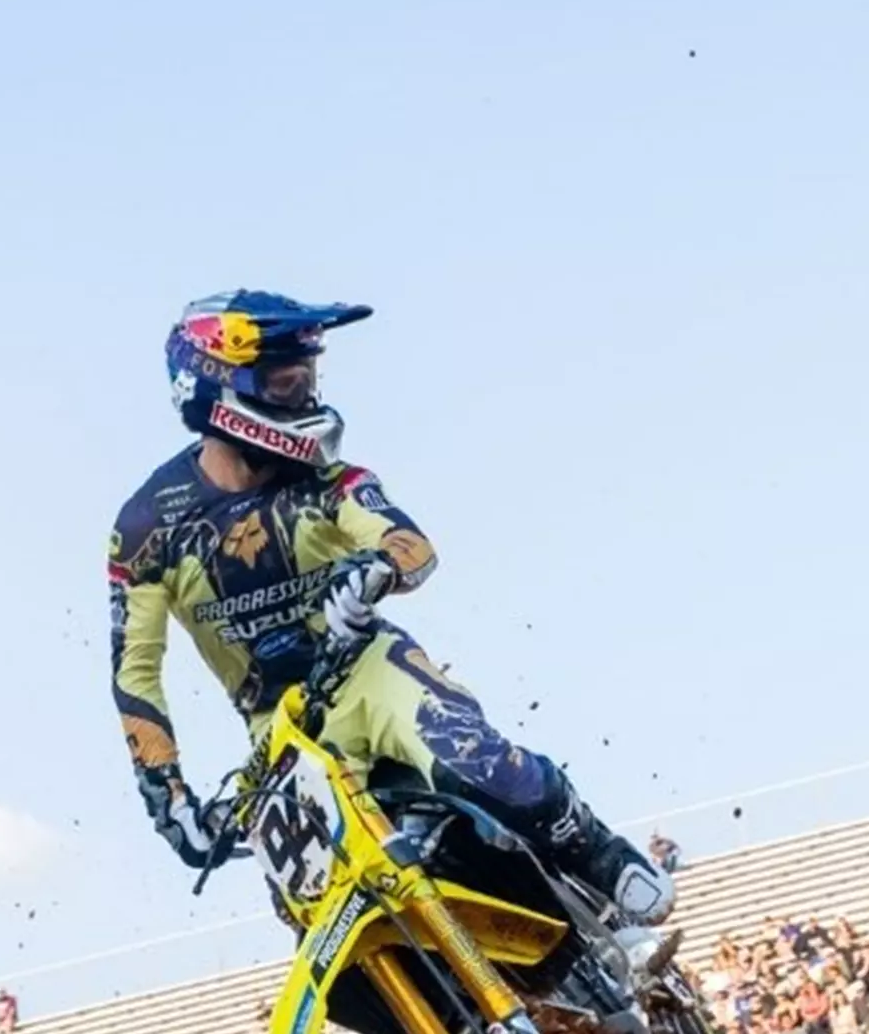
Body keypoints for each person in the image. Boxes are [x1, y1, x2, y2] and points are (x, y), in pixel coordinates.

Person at [110, 292, 671, 927]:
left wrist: (377, 566)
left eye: (308, 381)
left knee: (467, 756)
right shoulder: (146, 527)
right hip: (280, 728)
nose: (306, 399)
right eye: (286, 384)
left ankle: (595, 850)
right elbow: (136, 672)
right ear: (218, 389)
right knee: (311, 911)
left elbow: (410, 543)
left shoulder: (327, 479)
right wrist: (168, 796)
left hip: (368, 667)